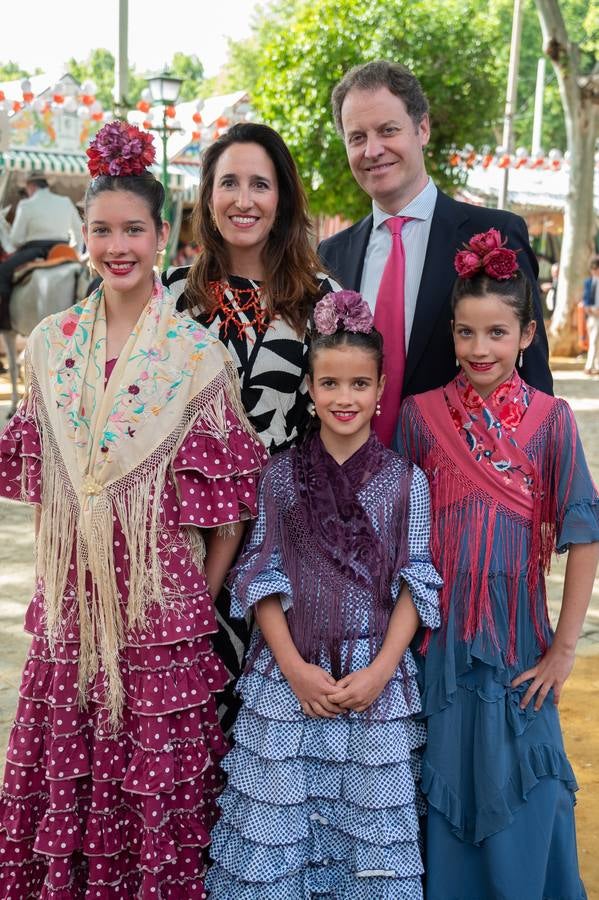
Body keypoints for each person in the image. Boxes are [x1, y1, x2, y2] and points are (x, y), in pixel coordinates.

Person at [0, 121, 266, 897]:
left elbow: (228, 513)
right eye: (102, 230)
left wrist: (196, 598)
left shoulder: (192, 355)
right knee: (66, 767)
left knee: (153, 790)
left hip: (160, 610)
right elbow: (45, 484)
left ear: (161, 236)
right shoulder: (50, 345)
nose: (118, 246)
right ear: (83, 236)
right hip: (72, 603)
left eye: (133, 230)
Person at [205, 290, 442, 899]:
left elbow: (416, 583)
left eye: (359, 384)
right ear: (308, 387)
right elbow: (260, 577)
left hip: (373, 691)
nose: (344, 398)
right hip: (288, 688)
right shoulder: (280, 475)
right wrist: (294, 670)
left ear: (381, 387)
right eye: (330, 383)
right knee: (276, 841)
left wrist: (382, 671)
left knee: (368, 847)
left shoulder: (406, 482)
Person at [396, 228, 599, 900]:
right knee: (441, 793)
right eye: (465, 333)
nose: (479, 348)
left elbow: (585, 535)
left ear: (527, 335)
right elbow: (397, 538)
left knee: (532, 792)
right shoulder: (419, 417)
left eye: (496, 333)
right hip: (438, 651)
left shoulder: (552, 420)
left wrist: (563, 651)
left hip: (521, 649)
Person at [163, 122, 339, 732]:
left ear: (282, 197)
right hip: (185, 549)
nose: (244, 200)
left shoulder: (325, 302)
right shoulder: (170, 301)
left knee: (269, 737)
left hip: (288, 550)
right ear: (207, 196)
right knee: (188, 730)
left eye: (260, 184)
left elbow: (342, 433)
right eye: (229, 183)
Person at [318, 60, 553, 444]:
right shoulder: (331, 255)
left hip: (467, 469)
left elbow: (534, 375)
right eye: (357, 137)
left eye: (388, 130)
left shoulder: (496, 235)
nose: (373, 150)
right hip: (352, 472)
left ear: (422, 128)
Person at [0, 173, 84, 329]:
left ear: (31, 186)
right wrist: (77, 252)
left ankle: (4, 321)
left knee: (3, 270)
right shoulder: (65, 201)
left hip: (34, 250)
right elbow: (79, 231)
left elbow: (16, 239)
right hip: (62, 250)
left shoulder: (26, 204)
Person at [582, 254, 599, 375]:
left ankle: (592, 365)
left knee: (595, 341)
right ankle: (592, 365)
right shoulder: (588, 282)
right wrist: (589, 309)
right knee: (593, 340)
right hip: (592, 315)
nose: (595, 271)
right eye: (593, 269)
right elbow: (586, 300)